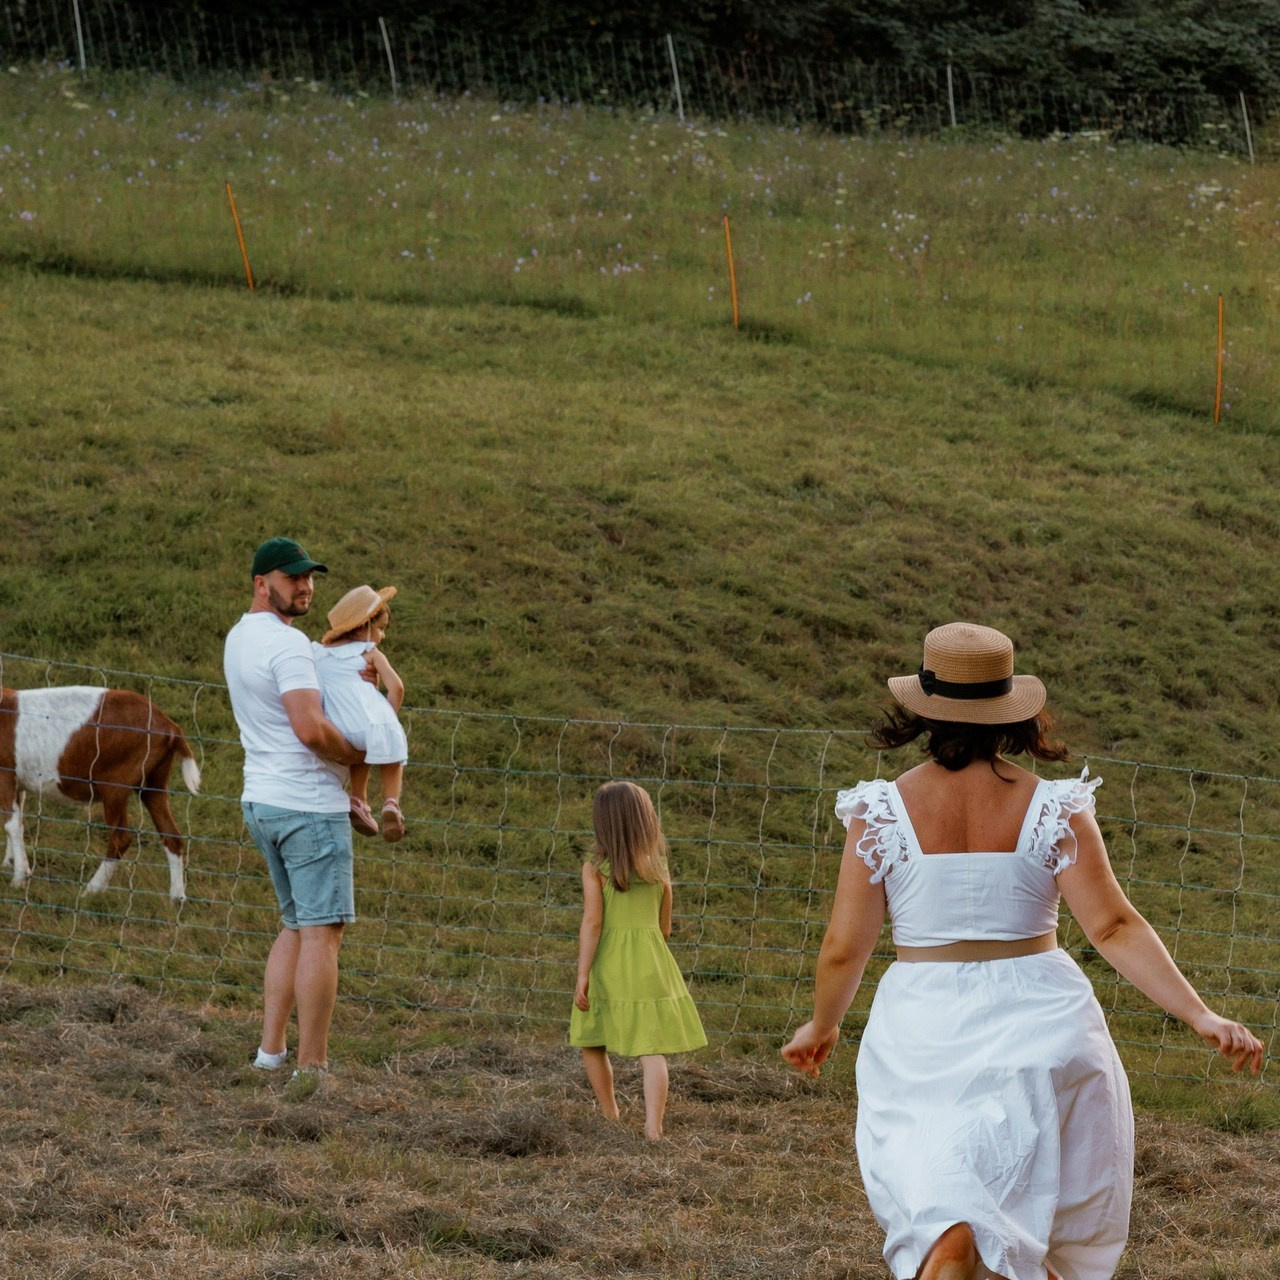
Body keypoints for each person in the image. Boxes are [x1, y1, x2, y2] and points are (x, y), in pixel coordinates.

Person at [781, 622, 1264, 1280]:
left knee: (941, 1197)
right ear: (1011, 711)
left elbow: (845, 947)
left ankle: (950, 1247)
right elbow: (1114, 926)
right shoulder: (1054, 808)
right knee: (1027, 1226)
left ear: (921, 709)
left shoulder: (883, 811)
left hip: (927, 1025)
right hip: (1042, 1018)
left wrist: (823, 1024)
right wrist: (1201, 1015)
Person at [223, 536, 366, 1096]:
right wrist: (358, 754)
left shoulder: (240, 638)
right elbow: (309, 730)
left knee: (295, 925)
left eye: (309, 577)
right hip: (307, 806)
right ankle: (313, 1070)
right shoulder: (288, 646)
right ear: (262, 583)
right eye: (292, 578)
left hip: (262, 798)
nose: (305, 586)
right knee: (323, 936)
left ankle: (269, 1054)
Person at [569, 780, 708, 1141]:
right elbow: (664, 928)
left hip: (609, 964)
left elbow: (593, 922)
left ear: (603, 823)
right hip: (651, 965)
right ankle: (653, 1129)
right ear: (646, 820)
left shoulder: (594, 868)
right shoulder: (658, 868)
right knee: (651, 1050)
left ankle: (611, 1116)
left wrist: (583, 973)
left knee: (591, 1041)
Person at [314, 583, 408, 843]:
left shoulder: (318, 654)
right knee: (392, 755)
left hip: (337, 727)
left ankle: (359, 800)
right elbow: (397, 687)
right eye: (380, 628)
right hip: (371, 722)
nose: (383, 636)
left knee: (360, 753)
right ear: (365, 625)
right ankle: (391, 804)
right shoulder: (369, 652)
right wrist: (388, 717)